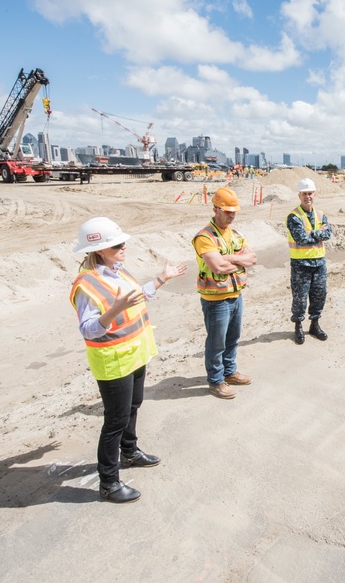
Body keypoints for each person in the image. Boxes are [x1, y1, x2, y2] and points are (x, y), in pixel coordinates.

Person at [70, 217, 187, 503]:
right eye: (117, 244)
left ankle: (130, 452)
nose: (124, 246)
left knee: (134, 405)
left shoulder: (117, 271)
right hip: (112, 360)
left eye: (123, 242)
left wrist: (162, 279)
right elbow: (88, 328)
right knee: (115, 420)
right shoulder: (87, 283)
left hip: (134, 353)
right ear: (99, 249)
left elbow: (135, 298)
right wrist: (114, 310)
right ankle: (108, 482)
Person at [193, 187, 257, 400]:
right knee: (216, 342)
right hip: (215, 300)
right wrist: (238, 260)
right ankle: (216, 380)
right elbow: (217, 267)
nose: (232, 214)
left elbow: (252, 259)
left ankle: (229, 372)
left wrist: (227, 258)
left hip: (236, 295)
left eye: (234, 211)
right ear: (215, 209)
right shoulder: (204, 237)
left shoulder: (236, 234)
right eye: (227, 210)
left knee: (233, 338)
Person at [287, 177, 333, 344]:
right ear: (299, 195)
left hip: (319, 264)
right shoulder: (293, 217)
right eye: (305, 194)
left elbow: (328, 234)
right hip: (301, 265)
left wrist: (312, 234)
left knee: (319, 295)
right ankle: (298, 326)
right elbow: (301, 238)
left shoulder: (321, 215)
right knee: (299, 297)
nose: (308, 197)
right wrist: (317, 233)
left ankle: (315, 324)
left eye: (310, 193)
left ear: (315, 194)